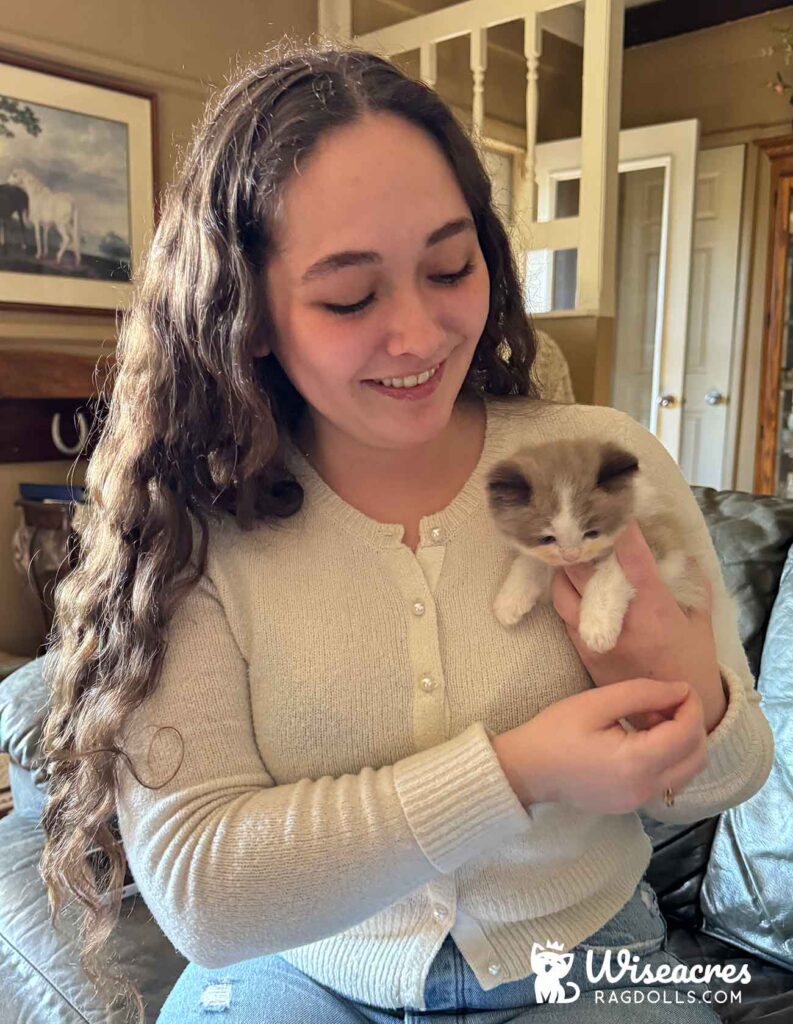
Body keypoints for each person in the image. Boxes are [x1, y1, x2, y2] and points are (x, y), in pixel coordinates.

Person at [38, 41, 773, 1024]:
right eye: (350, 295)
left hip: (587, 955)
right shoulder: (193, 519)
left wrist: (694, 688)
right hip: (305, 966)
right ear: (247, 310)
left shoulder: (598, 462)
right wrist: (519, 770)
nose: (420, 335)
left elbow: (732, 777)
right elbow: (206, 893)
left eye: (449, 265)